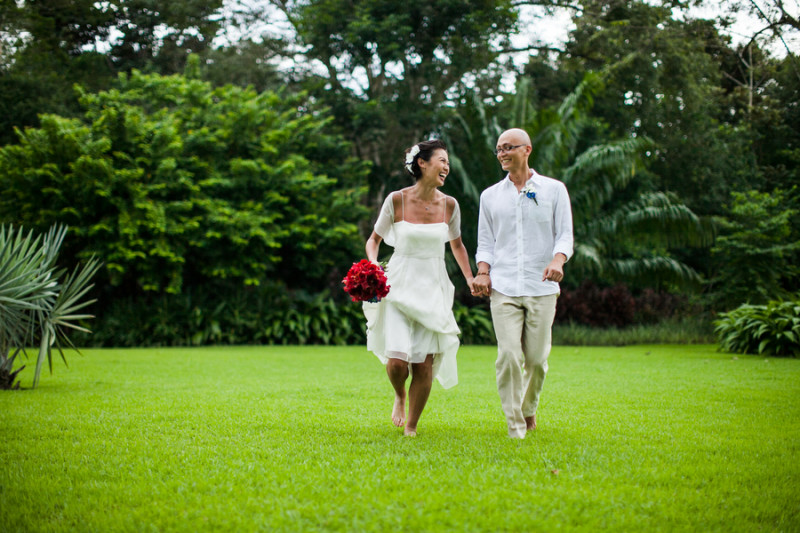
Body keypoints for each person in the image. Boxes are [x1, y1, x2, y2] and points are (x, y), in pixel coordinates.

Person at [363, 139, 475, 437]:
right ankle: (399, 394)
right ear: (422, 163)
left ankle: (411, 426)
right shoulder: (396, 200)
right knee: (398, 362)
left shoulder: (449, 205)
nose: (446, 167)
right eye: (442, 160)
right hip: (399, 284)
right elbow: (374, 240)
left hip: (433, 287)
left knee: (424, 365)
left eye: (448, 162)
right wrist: (373, 264)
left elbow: (458, 245)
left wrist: (470, 278)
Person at [472, 128, 574, 439]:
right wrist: (483, 271)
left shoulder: (554, 190)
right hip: (503, 287)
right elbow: (485, 242)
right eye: (499, 149)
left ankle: (528, 409)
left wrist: (557, 262)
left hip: (542, 287)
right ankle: (516, 424)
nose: (502, 153)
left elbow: (565, 236)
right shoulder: (489, 196)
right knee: (508, 356)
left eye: (509, 148)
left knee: (537, 360)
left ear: (526, 149)